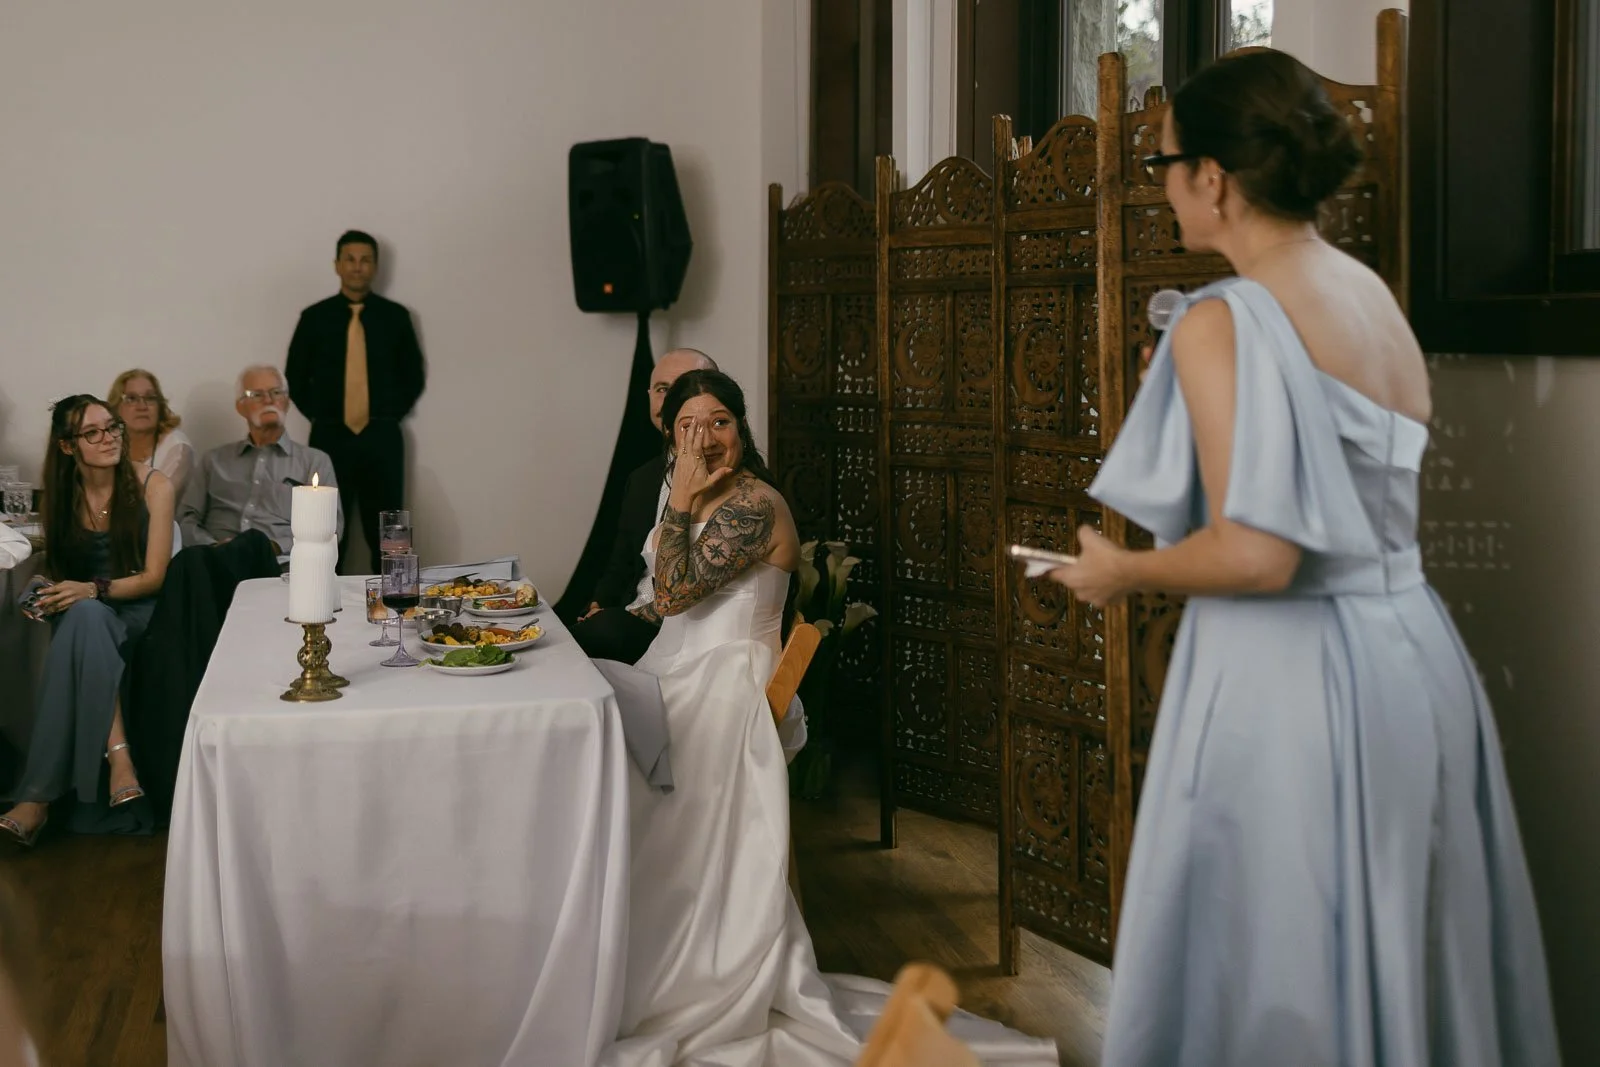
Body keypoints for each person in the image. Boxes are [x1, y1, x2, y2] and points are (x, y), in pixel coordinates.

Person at [1046, 50, 1558, 1065]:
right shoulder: (1368, 294)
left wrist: (1121, 572)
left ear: (1215, 179)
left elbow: (1258, 553)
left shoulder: (1222, 318)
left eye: (1161, 166)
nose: (1161, 189)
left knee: (1278, 954)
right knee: (1403, 936)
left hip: (1289, 679)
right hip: (1411, 658)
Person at [605, 370, 1055, 1066]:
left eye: (721, 420)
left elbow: (673, 592)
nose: (708, 435)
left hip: (730, 685)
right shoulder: (696, 497)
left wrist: (684, 495)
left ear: (743, 428)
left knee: (628, 759)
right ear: (670, 433)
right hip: (678, 669)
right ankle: (626, 947)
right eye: (691, 424)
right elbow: (664, 604)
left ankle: (693, 965)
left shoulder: (754, 504)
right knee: (603, 726)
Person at [0, 396, 175, 848]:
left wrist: (91, 590)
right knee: (83, 618)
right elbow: (61, 569)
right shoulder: (64, 493)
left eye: (111, 427)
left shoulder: (154, 485)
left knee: (86, 614)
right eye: (93, 432)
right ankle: (120, 761)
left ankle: (36, 798)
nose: (109, 438)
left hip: (138, 609)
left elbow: (155, 577)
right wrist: (43, 589)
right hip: (89, 613)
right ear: (67, 447)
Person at [286, 229, 425, 573]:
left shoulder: (395, 317)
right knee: (326, 529)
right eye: (350, 259)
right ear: (337, 265)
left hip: (382, 436)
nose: (357, 267)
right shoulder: (314, 318)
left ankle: (395, 607)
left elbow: (413, 375)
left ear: (375, 266)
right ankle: (322, 608)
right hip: (330, 437)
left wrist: (388, 413)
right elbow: (295, 377)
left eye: (365, 260)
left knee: (391, 532)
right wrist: (323, 415)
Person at [573, 347, 717, 665]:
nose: (669, 402)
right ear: (649, 396)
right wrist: (599, 603)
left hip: (688, 628)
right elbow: (622, 559)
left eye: (683, 389)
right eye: (663, 390)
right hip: (631, 616)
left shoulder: (727, 480)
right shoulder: (642, 477)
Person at [179, 365, 340, 554]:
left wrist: (275, 547)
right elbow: (185, 518)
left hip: (279, 567)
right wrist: (213, 546)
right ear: (240, 407)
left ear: (287, 402)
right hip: (216, 562)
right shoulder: (213, 461)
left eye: (276, 392)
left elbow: (331, 528)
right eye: (257, 394)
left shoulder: (315, 461)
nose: (269, 400)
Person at [108, 368, 195, 500]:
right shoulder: (107, 440)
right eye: (131, 398)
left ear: (159, 406)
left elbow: (158, 502)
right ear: (116, 407)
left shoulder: (177, 447)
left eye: (150, 398)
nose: (142, 406)